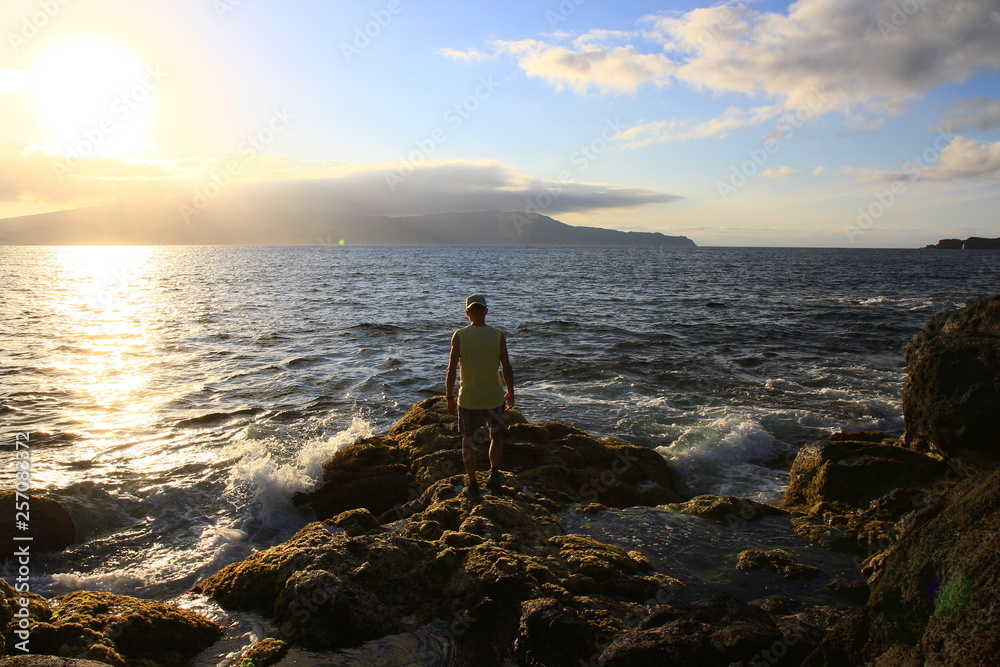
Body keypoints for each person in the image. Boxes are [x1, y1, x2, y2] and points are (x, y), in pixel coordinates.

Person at [446, 294, 515, 498]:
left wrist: (449, 397)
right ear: (486, 311)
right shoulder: (498, 335)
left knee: (467, 441)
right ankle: (494, 475)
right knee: (496, 435)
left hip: (468, 398)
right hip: (494, 397)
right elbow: (506, 366)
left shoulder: (459, 335)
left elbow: (451, 370)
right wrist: (510, 392)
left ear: (467, 312)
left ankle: (473, 484)